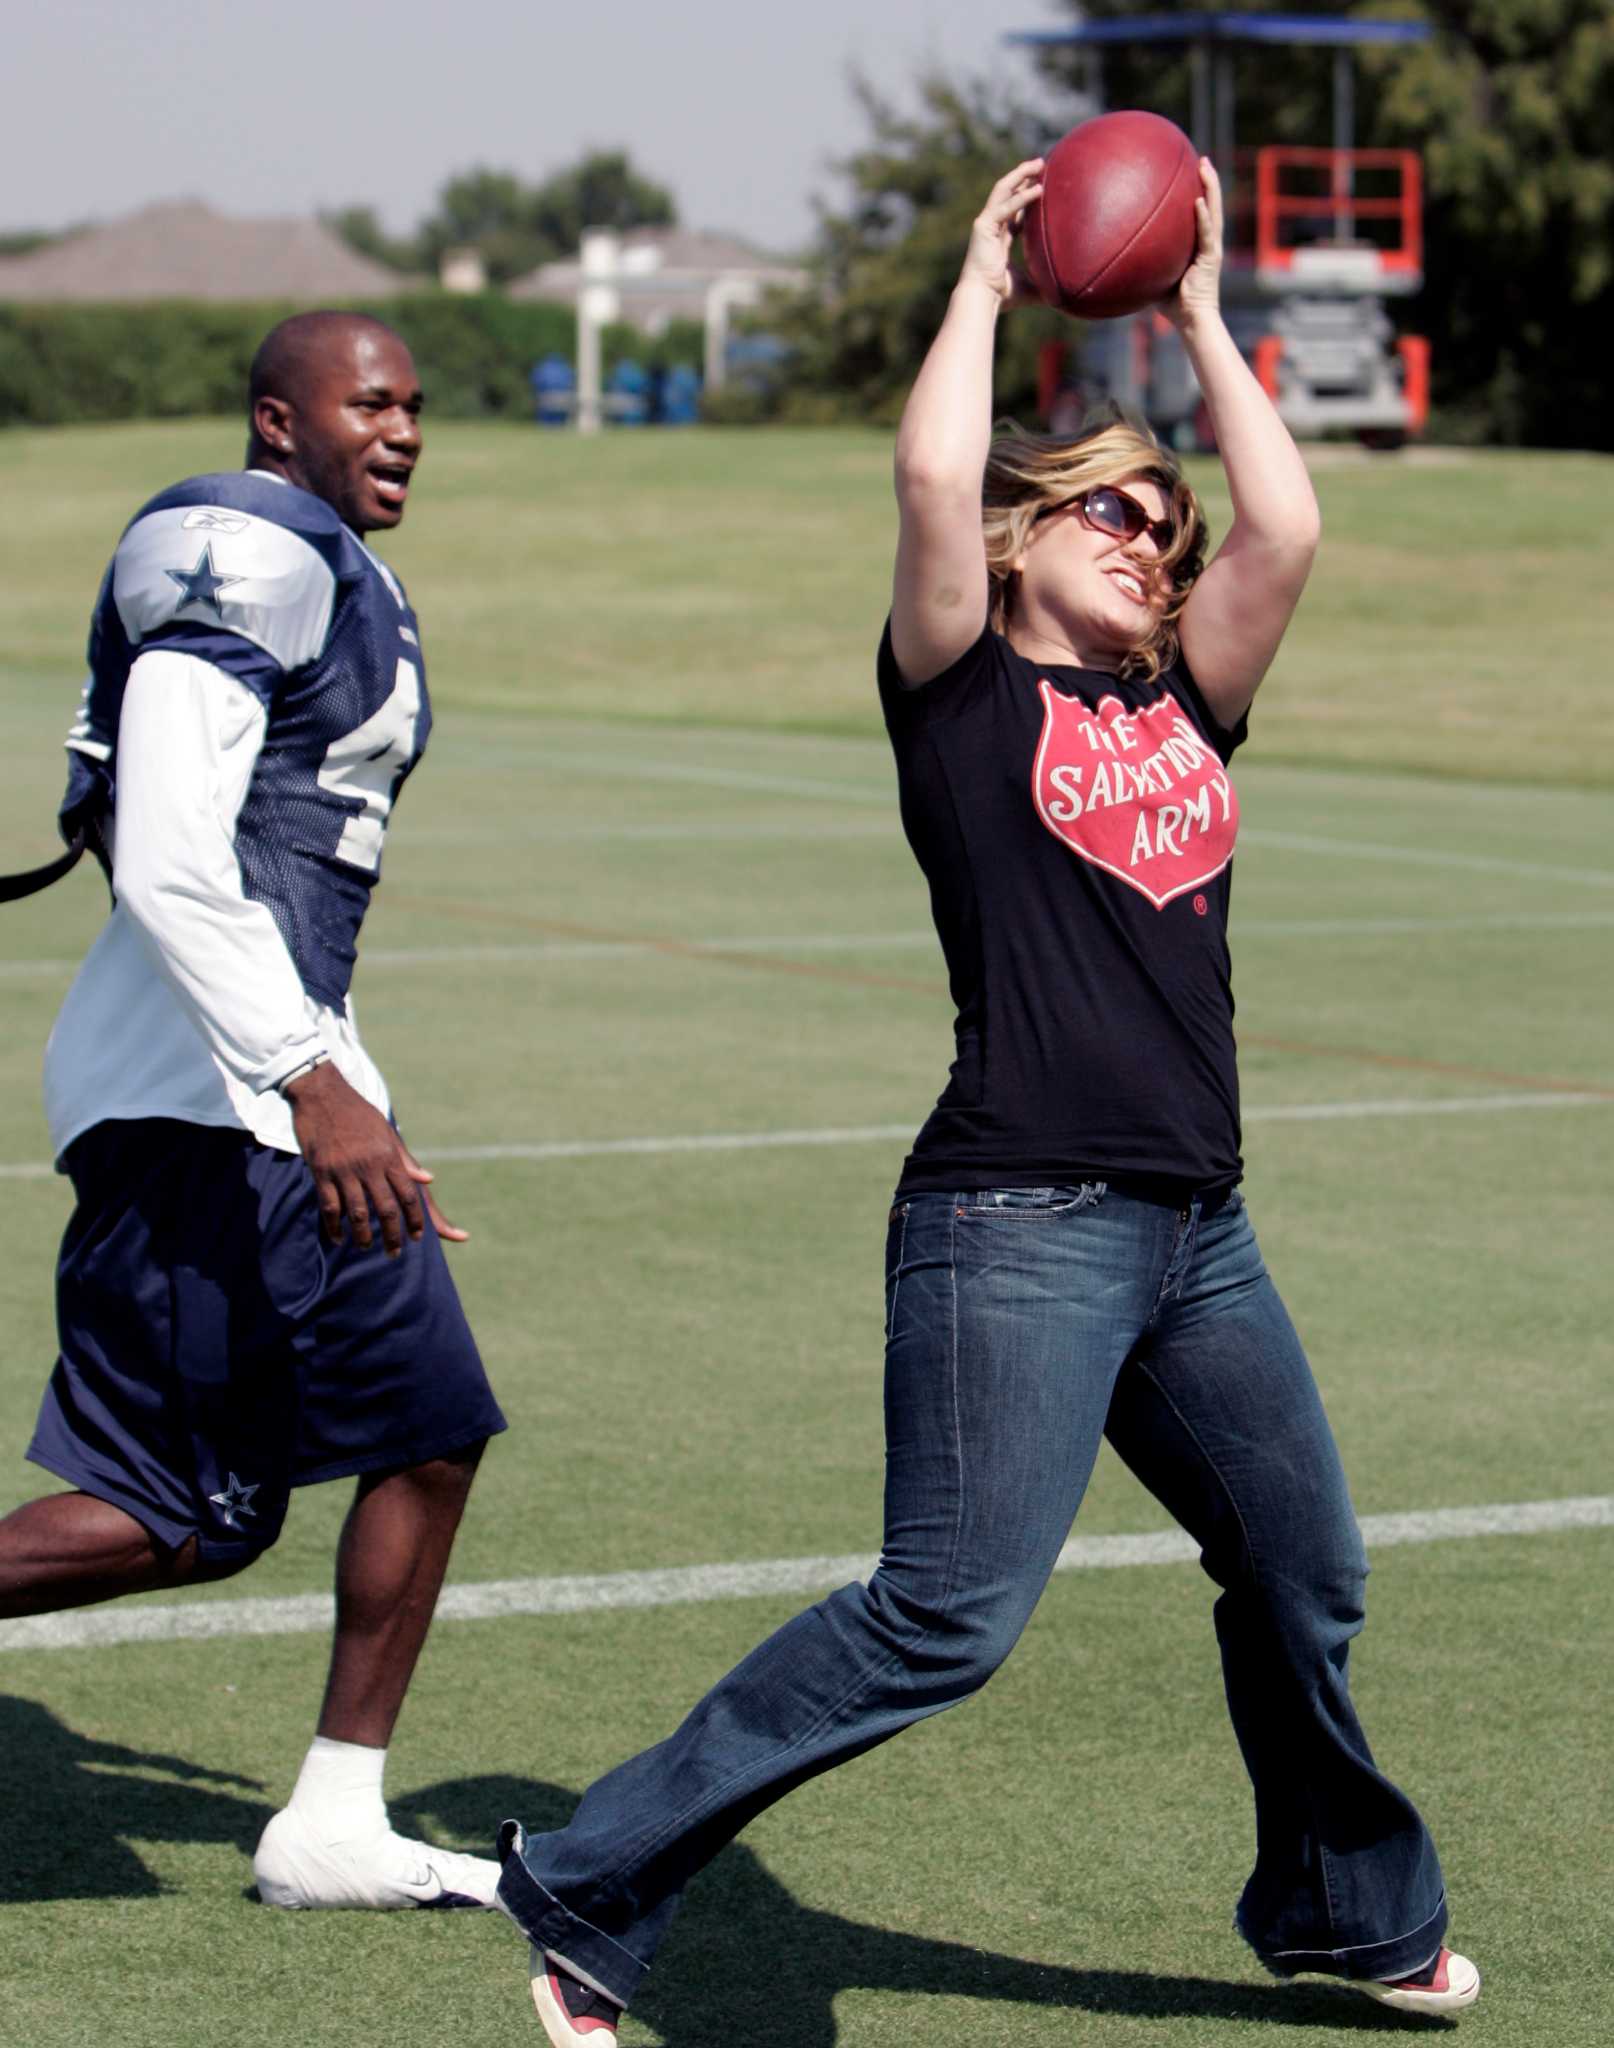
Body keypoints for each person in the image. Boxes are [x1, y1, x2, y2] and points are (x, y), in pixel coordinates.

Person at [488, 159, 1483, 2039]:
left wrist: (1192, 307)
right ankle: (590, 1878)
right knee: (943, 1618)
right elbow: (929, 480)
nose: (1154, 541)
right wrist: (977, 278)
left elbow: (1289, 526)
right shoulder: (960, 695)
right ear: (1023, 541)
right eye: (1111, 509)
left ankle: (1345, 1911)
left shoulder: (1183, 703)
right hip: (1013, 1219)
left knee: (1302, 1568)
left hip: (1198, 1232)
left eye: (1159, 523)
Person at [0, 311, 508, 1913]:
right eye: (372, 401)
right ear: (276, 420)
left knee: (425, 1430)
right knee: (185, 1512)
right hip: (208, 1098)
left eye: (418, 404)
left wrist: (349, 1085)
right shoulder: (240, 542)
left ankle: (331, 1824)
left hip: (273, 1079)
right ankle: (333, 1821)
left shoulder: (331, 565)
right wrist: (309, 1084)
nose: (405, 427)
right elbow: (163, 851)